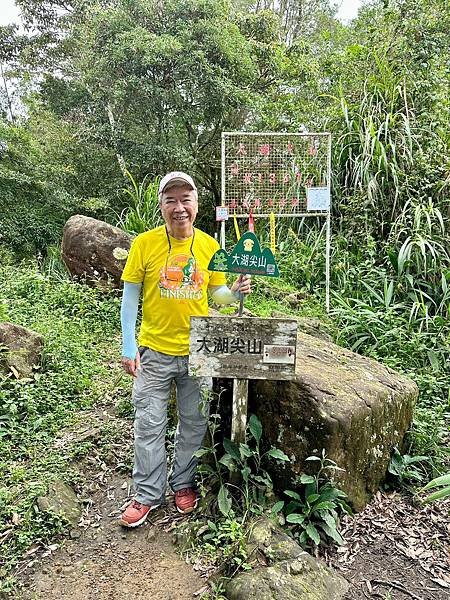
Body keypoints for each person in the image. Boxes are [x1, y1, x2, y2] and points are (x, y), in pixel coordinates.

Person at [119, 171, 251, 527]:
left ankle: (183, 483)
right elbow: (130, 299)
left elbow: (217, 295)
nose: (179, 208)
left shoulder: (210, 246)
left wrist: (236, 291)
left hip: (199, 349)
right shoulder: (144, 244)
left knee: (193, 422)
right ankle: (147, 493)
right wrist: (129, 345)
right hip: (153, 351)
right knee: (149, 423)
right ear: (161, 205)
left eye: (185, 200)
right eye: (171, 200)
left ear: (196, 204)